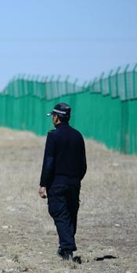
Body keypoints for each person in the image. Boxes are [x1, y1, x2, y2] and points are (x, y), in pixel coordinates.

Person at [39, 102, 87, 263]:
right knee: (71, 213)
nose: (52, 118)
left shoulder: (53, 136)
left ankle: (67, 248)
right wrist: (76, 179)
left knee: (59, 213)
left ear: (57, 117)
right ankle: (65, 246)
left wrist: (43, 184)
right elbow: (83, 164)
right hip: (74, 182)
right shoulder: (78, 135)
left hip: (57, 182)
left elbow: (49, 162)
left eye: (53, 116)